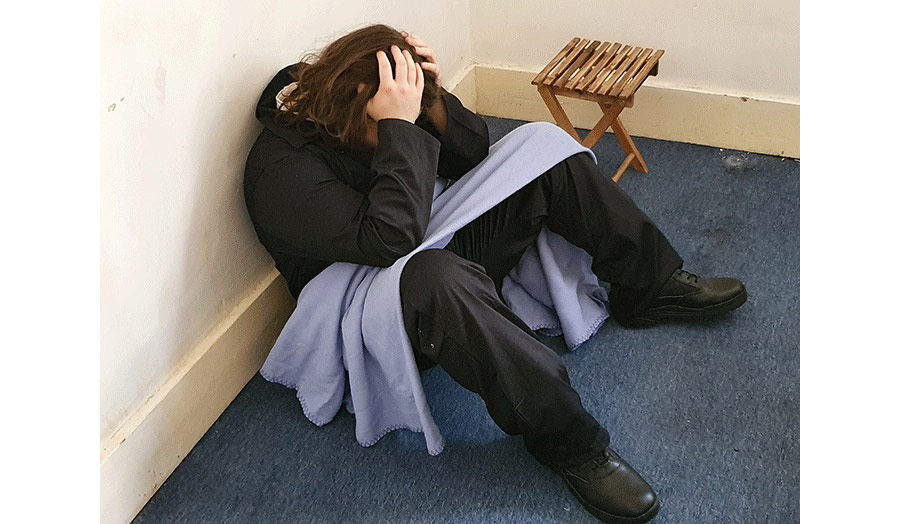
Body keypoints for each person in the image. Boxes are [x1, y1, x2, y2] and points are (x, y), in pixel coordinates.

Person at [244, 24, 746, 524]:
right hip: (362, 303)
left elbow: (474, 152)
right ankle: (570, 444)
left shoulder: (374, 104)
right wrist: (398, 128)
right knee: (437, 276)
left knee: (543, 147)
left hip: (423, 231)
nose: (406, 126)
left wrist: (432, 102)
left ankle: (649, 285)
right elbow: (387, 242)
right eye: (392, 122)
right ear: (354, 101)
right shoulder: (280, 169)